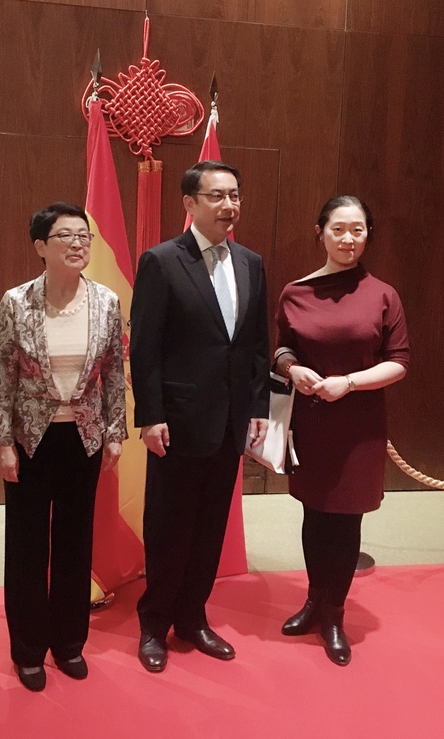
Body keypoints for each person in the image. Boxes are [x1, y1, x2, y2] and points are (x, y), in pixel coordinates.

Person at [130, 160, 270, 672]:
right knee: (169, 528)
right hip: (178, 422)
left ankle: (192, 617)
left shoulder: (251, 262)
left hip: (229, 423)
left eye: (234, 195)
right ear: (189, 203)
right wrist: (150, 416)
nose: (228, 205)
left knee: (210, 528)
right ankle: (154, 623)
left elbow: (256, 345)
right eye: (216, 196)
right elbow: (144, 348)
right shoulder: (162, 261)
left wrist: (258, 409)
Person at [0, 201, 127, 692]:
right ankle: (28, 649)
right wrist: (2, 441)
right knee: (27, 544)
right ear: (41, 247)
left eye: (84, 235)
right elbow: (1, 374)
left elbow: (114, 372)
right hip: (31, 436)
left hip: (83, 437)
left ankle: (68, 643)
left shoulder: (106, 301)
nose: (78, 243)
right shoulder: (16, 302)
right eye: (65, 235)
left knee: (74, 541)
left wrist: (115, 433)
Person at [275, 195, 409, 666]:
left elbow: (399, 362)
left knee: (347, 518)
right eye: (339, 229)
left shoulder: (383, 295)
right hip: (312, 421)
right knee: (314, 512)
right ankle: (313, 601)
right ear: (321, 233)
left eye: (358, 230)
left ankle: (334, 614)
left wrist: (348, 382)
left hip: (359, 426)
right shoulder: (295, 292)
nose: (348, 239)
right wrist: (292, 369)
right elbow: (282, 349)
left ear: (367, 235)